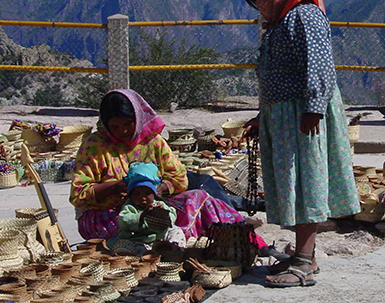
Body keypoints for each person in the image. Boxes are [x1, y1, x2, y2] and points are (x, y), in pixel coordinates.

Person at [242, 0, 360, 288]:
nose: (260, 7)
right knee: (296, 186)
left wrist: (313, 109)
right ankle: (306, 254)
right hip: (284, 116)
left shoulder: (304, 17)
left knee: (305, 184)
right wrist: (262, 116)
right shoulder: (281, 21)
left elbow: (319, 66)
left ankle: (303, 265)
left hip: (302, 116)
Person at [69, 89, 269, 251]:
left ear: (137, 119)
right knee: (141, 228)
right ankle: (164, 247)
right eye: (115, 126)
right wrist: (116, 187)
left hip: (155, 211)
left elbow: (179, 177)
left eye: (128, 124)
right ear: (105, 124)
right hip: (111, 216)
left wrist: (158, 190)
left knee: (199, 198)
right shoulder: (94, 146)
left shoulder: (153, 142)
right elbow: (79, 195)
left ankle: (247, 240)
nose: (122, 131)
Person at [112, 161, 184, 256]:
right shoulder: (129, 207)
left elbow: (172, 214)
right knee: (131, 247)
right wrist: (142, 216)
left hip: (158, 238)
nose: (143, 198)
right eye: (137, 194)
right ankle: (148, 256)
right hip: (138, 239)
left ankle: (174, 249)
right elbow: (124, 220)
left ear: (154, 194)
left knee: (176, 230)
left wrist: (164, 214)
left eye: (147, 194)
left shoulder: (158, 204)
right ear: (130, 195)